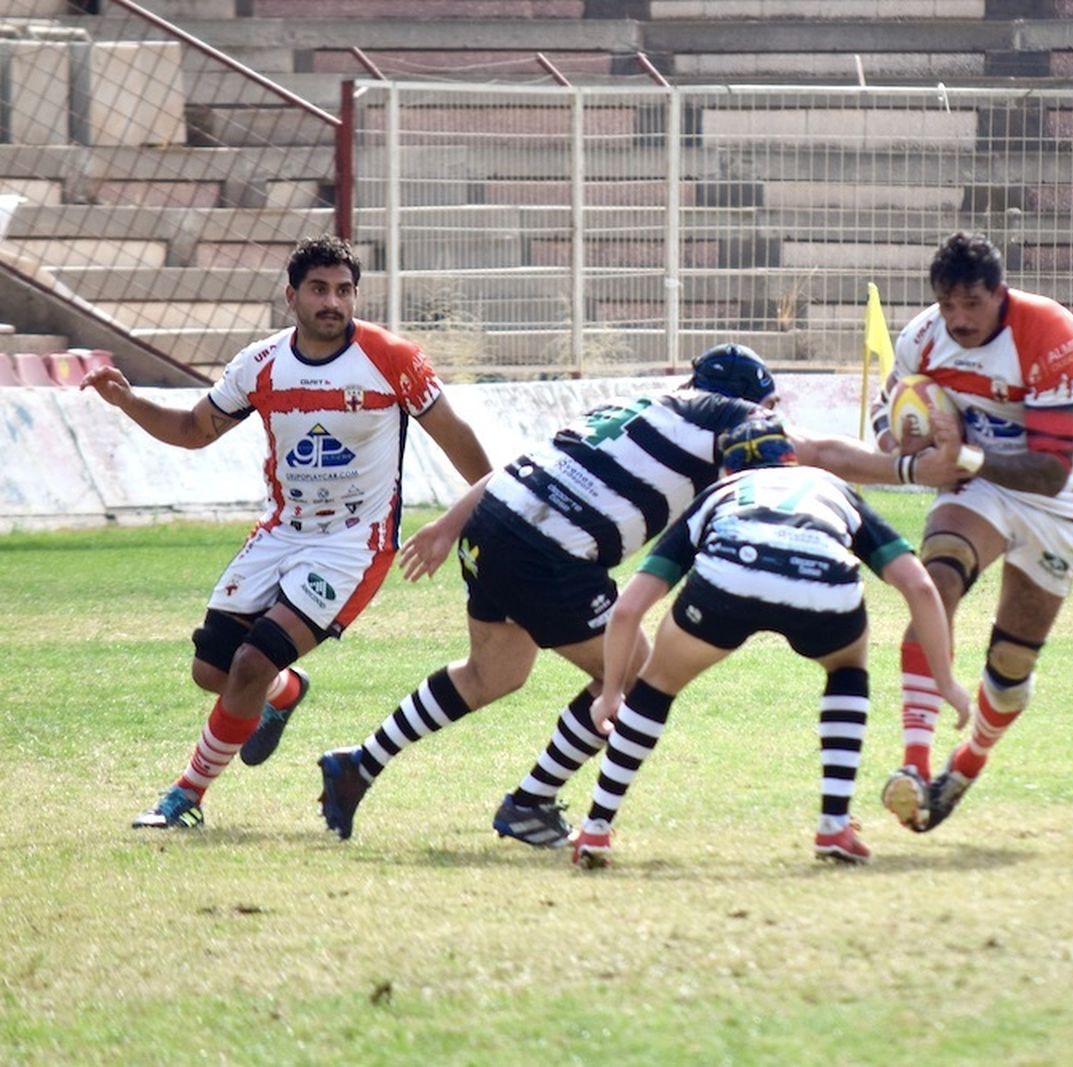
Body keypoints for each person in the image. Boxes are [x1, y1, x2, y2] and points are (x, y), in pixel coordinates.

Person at [315, 343, 967, 844]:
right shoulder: (731, 415)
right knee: (633, 669)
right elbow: (825, 453)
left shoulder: (627, 410)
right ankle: (529, 802)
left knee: (493, 672)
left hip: (498, 524)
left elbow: (520, 465)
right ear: (751, 402)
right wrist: (911, 469)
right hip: (550, 548)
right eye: (768, 411)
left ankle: (358, 764)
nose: (771, 426)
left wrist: (448, 524)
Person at [80, 234, 493, 830]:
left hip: (354, 544)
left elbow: (456, 437)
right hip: (281, 533)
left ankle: (185, 797)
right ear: (291, 297)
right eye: (319, 290)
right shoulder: (261, 364)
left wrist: (495, 505)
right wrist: (129, 403)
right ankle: (284, 692)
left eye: (344, 290)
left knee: (249, 663)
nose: (333, 302)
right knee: (212, 673)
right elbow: (195, 430)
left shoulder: (392, 358)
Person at [569, 418, 971, 868]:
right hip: (824, 590)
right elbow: (918, 586)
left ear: (728, 468)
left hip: (728, 582)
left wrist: (610, 695)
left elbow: (627, 609)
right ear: (790, 459)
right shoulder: (830, 486)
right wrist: (947, 682)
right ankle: (834, 824)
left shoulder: (720, 493)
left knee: (657, 684)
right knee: (847, 670)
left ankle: (597, 828)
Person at [869, 231, 1073, 834]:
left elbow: (1050, 473)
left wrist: (962, 456)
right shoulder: (922, 338)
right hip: (980, 487)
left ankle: (963, 768)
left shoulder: (1050, 335)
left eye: (972, 304)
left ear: (1000, 294)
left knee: (1010, 665)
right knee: (936, 577)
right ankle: (913, 766)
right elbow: (888, 412)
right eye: (948, 305)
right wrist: (902, 441)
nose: (959, 319)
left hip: (1057, 504)